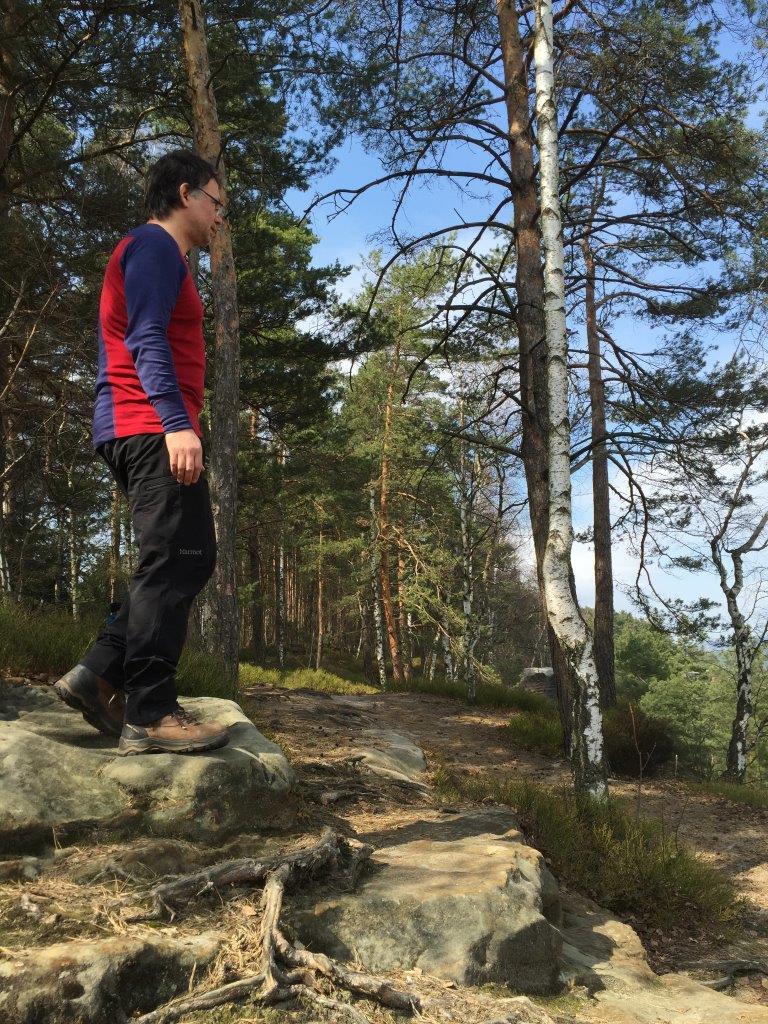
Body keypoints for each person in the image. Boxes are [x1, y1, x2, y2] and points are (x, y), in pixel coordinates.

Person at [54, 149, 230, 757]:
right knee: (172, 561)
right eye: (216, 202)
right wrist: (177, 424)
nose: (218, 216)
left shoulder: (156, 253)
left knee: (186, 556)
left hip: (140, 424)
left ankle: (99, 673)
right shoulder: (155, 247)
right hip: (151, 425)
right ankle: (150, 713)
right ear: (186, 194)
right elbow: (146, 335)